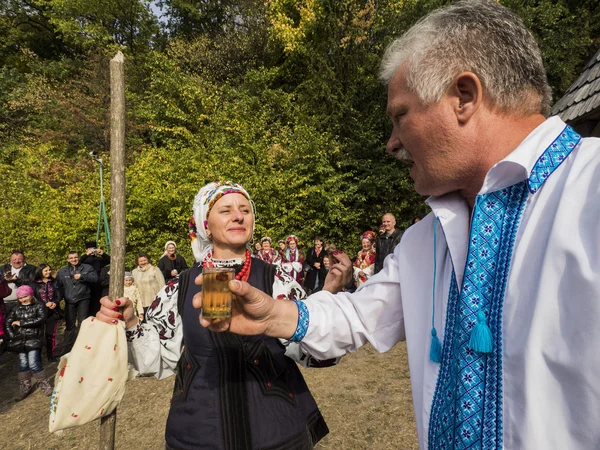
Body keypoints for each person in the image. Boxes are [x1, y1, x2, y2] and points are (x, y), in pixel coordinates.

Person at [197, 2, 600, 448]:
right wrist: (275, 314)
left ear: (464, 96)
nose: (391, 143)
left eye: (400, 115)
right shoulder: (427, 236)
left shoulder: (591, 189)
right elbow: (361, 314)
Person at [96, 181, 330, 449]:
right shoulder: (180, 287)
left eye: (245, 209)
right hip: (199, 435)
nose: (239, 215)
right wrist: (131, 322)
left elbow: (313, 353)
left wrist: (324, 309)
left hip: (277, 434)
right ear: (205, 224)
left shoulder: (276, 279)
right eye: (226, 210)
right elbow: (155, 360)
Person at [6, 285, 53, 398]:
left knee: (33, 362)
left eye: (25, 296)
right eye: (20, 298)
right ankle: (25, 385)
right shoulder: (16, 309)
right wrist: (13, 335)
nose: (23, 299)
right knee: (23, 364)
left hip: (34, 340)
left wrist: (22, 323)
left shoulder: (38, 306)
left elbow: (40, 319)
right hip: (20, 341)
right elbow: (8, 323)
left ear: (31, 295)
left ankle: (44, 384)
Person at [56, 251, 98, 350]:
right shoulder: (63, 271)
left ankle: (82, 346)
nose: (74, 259)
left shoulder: (87, 268)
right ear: (67, 259)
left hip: (83, 298)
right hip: (69, 300)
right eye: (71, 258)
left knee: (82, 323)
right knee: (70, 324)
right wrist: (57, 300)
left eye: (75, 257)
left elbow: (95, 279)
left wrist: (82, 276)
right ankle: (67, 347)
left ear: (79, 258)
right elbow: (58, 286)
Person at [33, 264, 63, 362]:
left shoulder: (55, 282)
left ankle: (51, 355)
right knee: (38, 335)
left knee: (51, 335)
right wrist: (44, 304)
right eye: (46, 270)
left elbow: (59, 294)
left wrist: (55, 302)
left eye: (49, 270)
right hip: (39, 313)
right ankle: (37, 356)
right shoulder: (34, 284)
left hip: (53, 312)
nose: (48, 272)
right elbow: (33, 298)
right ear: (40, 271)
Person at [0, 251, 37, 317]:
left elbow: (31, 284)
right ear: (10, 260)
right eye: (14, 259)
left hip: (22, 303)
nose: (17, 261)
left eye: (19, 259)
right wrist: (5, 280)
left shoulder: (32, 269)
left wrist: (17, 280)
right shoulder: (3, 268)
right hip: (5, 304)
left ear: (24, 259)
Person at [79, 241, 110, 316]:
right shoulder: (84, 260)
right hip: (86, 284)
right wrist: (86, 255)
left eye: (93, 249)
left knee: (97, 303)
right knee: (87, 304)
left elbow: (110, 260)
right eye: (90, 249)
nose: (92, 251)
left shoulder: (98, 260)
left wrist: (103, 254)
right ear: (86, 250)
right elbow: (77, 262)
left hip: (98, 284)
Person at [132, 253, 165, 322]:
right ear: (137, 262)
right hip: (141, 303)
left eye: (145, 260)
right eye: (141, 261)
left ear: (148, 260)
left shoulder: (155, 269)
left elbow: (162, 284)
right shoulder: (134, 272)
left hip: (154, 301)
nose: (143, 262)